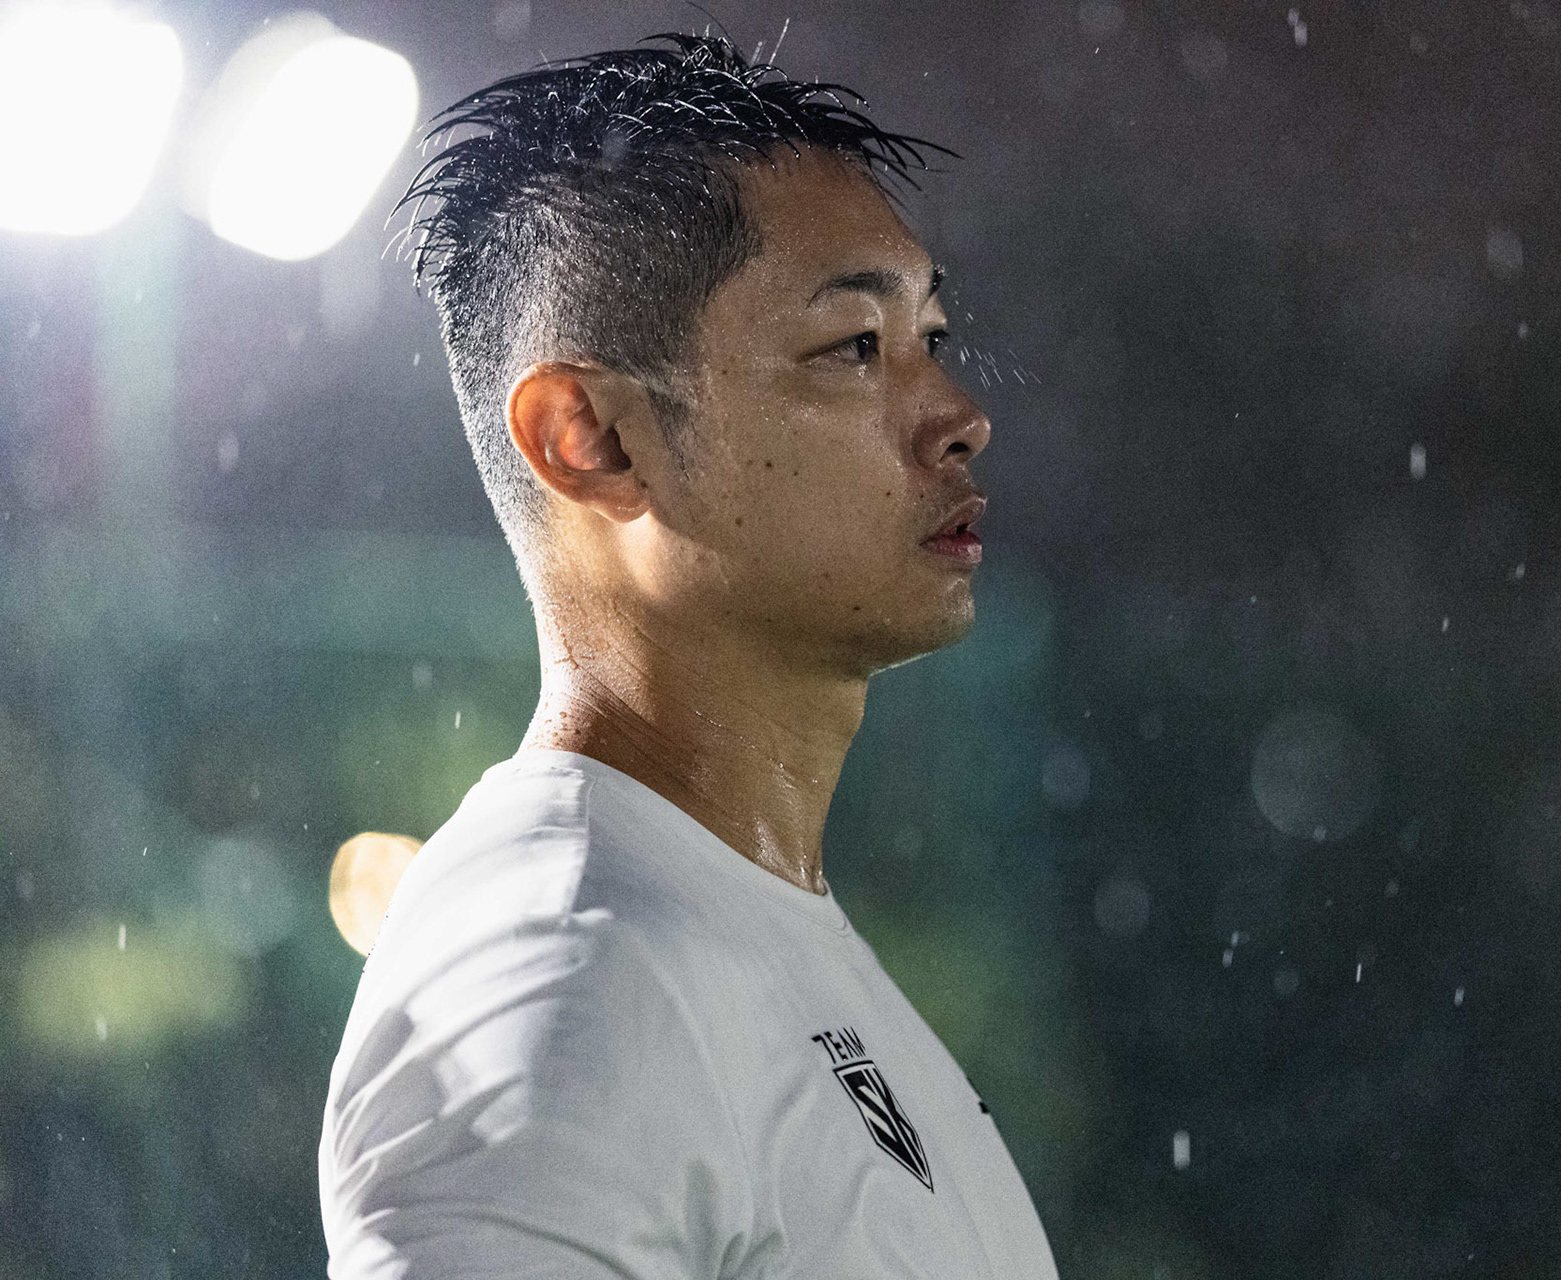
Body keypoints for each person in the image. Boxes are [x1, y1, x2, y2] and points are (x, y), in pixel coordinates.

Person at [317, 32, 1057, 1280]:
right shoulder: (568, 960)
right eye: (854, 348)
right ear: (592, 437)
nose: (957, 415)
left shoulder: (731, 925)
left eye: (928, 333)